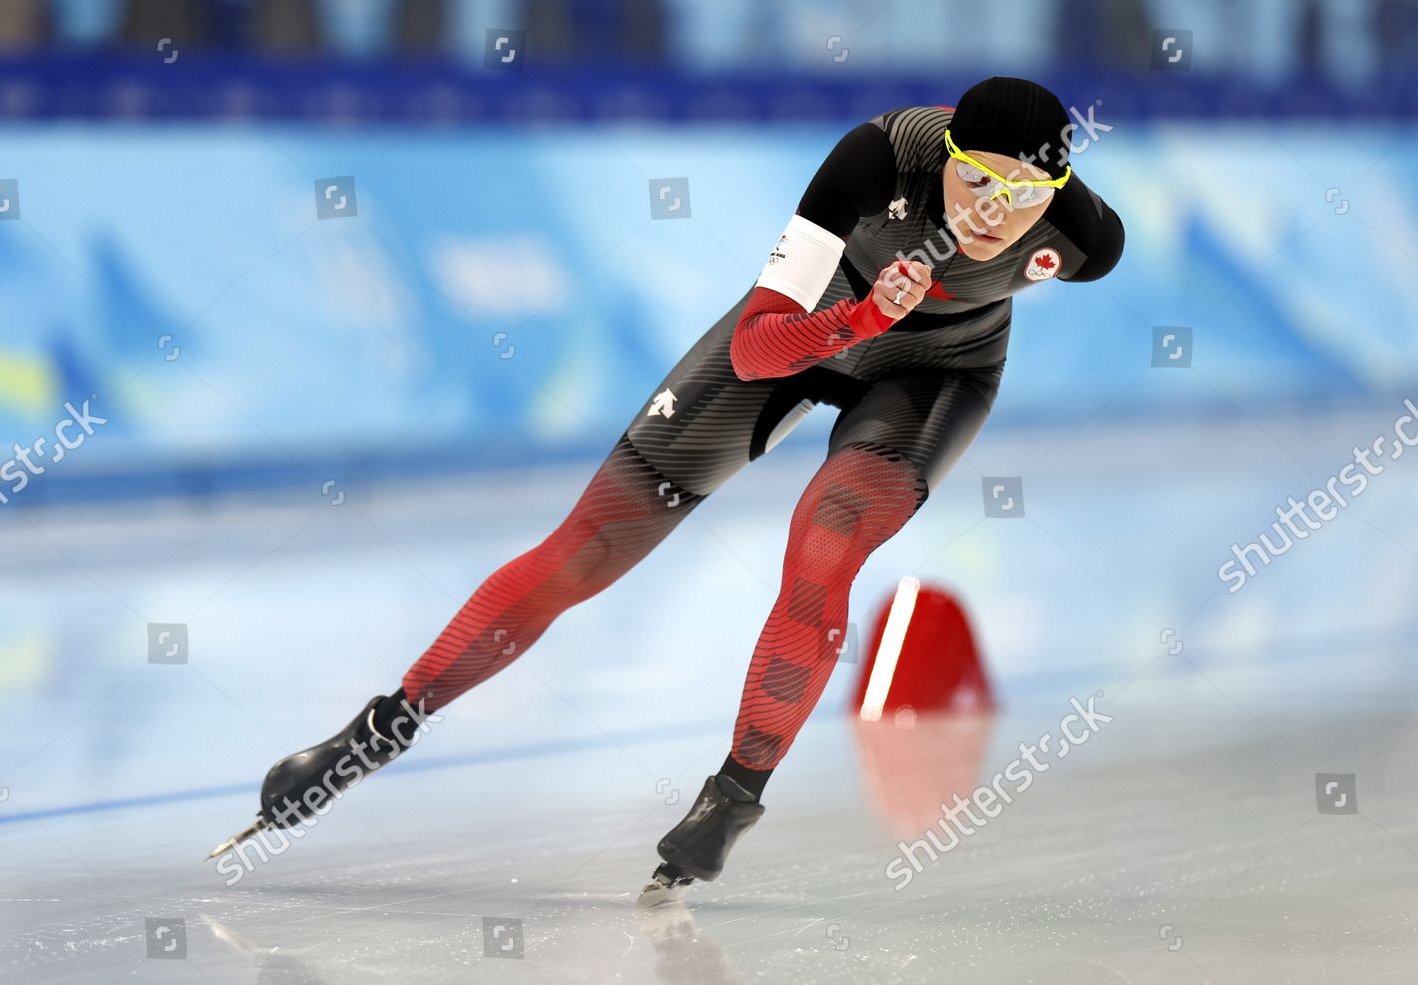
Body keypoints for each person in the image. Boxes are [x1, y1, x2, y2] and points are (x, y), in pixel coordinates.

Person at [209, 77, 1125, 899]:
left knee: (824, 541)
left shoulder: (1084, 237)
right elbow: (755, 346)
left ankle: (732, 798)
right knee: (591, 545)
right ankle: (375, 731)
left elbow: (1074, 242)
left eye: (1024, 193)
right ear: (948, 158)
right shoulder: (876, 156)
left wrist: (899, 324)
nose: (995, 210)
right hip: (811, 324)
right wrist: (858, 315)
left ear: (1055, 194)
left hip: (940, 371)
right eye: (976, 180)